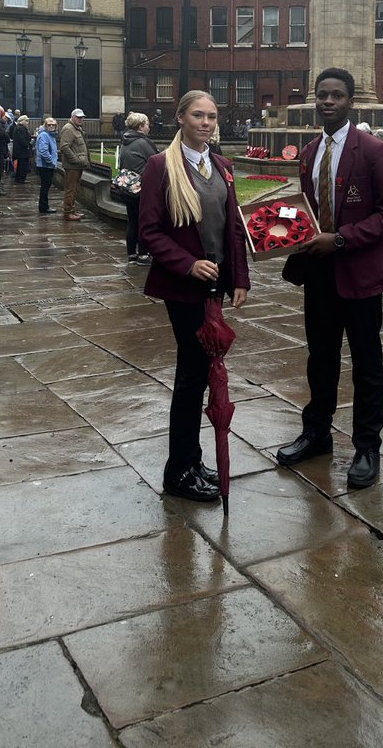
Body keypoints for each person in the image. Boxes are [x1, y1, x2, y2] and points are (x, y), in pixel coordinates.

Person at [276, 67, 383, 489]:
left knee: (367, 364)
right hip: (320, 275)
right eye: (322, 95)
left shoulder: (372, 150)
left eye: (336, 95)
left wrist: (342, 240)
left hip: (360, 275)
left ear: (351, 101)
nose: (328, 101)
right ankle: (317, 432)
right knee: (321, 358)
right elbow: (310, 213)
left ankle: (367, 446)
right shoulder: (310, 152)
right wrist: (284, 230)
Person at [137, 90, 250, 501]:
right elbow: (149, 231)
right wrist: (187, 263)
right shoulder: (160, 166)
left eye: (212, 116)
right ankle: (178, 473)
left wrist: (240, 278)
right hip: (184, 286)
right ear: (181, 117)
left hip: (217, 284)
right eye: (198, 115)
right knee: (192, 375)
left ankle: (192, 459)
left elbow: (233, 227)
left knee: (202, 373)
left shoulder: (222, 165)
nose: (206, 122)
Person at [120, 112, 158, 263]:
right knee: (144, 221)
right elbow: (157, 160)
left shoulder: (125, 140)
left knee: (133, 220)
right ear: (140, 126)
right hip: (141, 189)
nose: (149, 127)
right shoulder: (143, 142)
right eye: (147, 124)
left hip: (127, 188)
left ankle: (132, 254)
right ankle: (143, 254)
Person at [60, 108, 89, 220]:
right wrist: (75, 160)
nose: (81, 119)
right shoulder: (68, 129)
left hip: (77, 165)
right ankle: (68, 212)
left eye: (82, 117)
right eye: (78, 117)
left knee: (75, 188)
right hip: (72, 165)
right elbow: (64, 147)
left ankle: (72, 209)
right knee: (70, 189)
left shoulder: (76, 128)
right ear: (72, 117)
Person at [35, 117, 59, 213]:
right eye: (49, 124)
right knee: (45, 186)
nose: (51, 126)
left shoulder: (50, 135)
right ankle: (44, 207)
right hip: (45, 166)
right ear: (45, 125)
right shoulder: (45, 135)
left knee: (46, 186)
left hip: (47, 165)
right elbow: (43, 151)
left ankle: (44, 206)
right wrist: (51, 162)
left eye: (53, 124)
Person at [11, 115, 33, 184]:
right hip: (22, 151)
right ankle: (21, 179)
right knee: (22, 166)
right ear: (21, 121)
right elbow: (22, 139)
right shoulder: (20, 128)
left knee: (20, 165)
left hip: (20, 151)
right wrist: (27, 146)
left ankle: (19, 179)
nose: (27, 123)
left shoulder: (18, 128)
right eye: (26, 121)